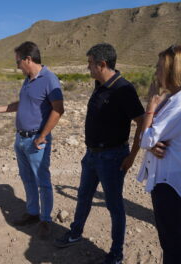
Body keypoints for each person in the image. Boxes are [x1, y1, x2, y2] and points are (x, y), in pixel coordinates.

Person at [54, 43, 145, 264]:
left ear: (102, 64)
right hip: (92, 156)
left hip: (113, 158)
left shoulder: (124, 89)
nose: (88, 68)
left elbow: (142, 122)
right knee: (83, 196)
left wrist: (132, 155)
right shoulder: (100, 84)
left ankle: (116, 254)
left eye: (90, 63)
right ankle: (76, 233)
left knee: (114, 206)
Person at [0, 41, 64, 239]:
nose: (17, 65)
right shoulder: (28, 80)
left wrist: (43, 136)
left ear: (28, 59)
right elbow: (24, 103)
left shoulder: (49, 79)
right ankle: (33, 212)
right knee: (27, 178)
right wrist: (1, 109)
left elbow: (58, 108)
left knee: (42, 181)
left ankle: (46, 220)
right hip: (20, 138)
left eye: (18, 61)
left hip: (37, 140)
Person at [136, 45, 181, 264]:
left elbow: (146, 138)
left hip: (170, 183)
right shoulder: (175, 98)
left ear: (173, 70)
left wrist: (150, 108)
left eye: (159, 67)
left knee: (172, 243)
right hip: (168, 179)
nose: (156, 72)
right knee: (170, 240)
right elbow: (150, 138)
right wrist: (149, 142)